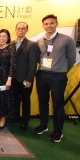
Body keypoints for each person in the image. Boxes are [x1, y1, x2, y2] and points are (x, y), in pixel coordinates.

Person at [35, 14, 76, 142]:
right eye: (46, 24)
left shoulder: (67, 40)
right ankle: (43, 125)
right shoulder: (39, 41)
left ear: (56, 24)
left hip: (58, 77)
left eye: (52, 23)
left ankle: (58, 132)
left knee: (58, 105)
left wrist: (61, 70)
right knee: (43, 102)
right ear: (43, 25)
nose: (49, 26)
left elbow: (72, 59)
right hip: (42, 74)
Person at [10, 22, 40, 131]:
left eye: (23, 29)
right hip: (13, 78)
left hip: (25, 79)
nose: (20, 30)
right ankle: (16, 117)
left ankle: (25, 121)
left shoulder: (32, 45)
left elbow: (33, 64)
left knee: (26, 100)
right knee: (15, 99)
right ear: (15, 30)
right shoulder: (12, 43)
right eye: (18, 28)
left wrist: (29, 79)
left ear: (27, 30)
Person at [0, 29, 14, 129]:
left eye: (4, 36)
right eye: (0, 36)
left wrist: (9, 79)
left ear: (8, 38)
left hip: (5, 78)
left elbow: (12, 65)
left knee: (4, 98)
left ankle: (3, 118)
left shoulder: (11, 49)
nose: (2, 38)